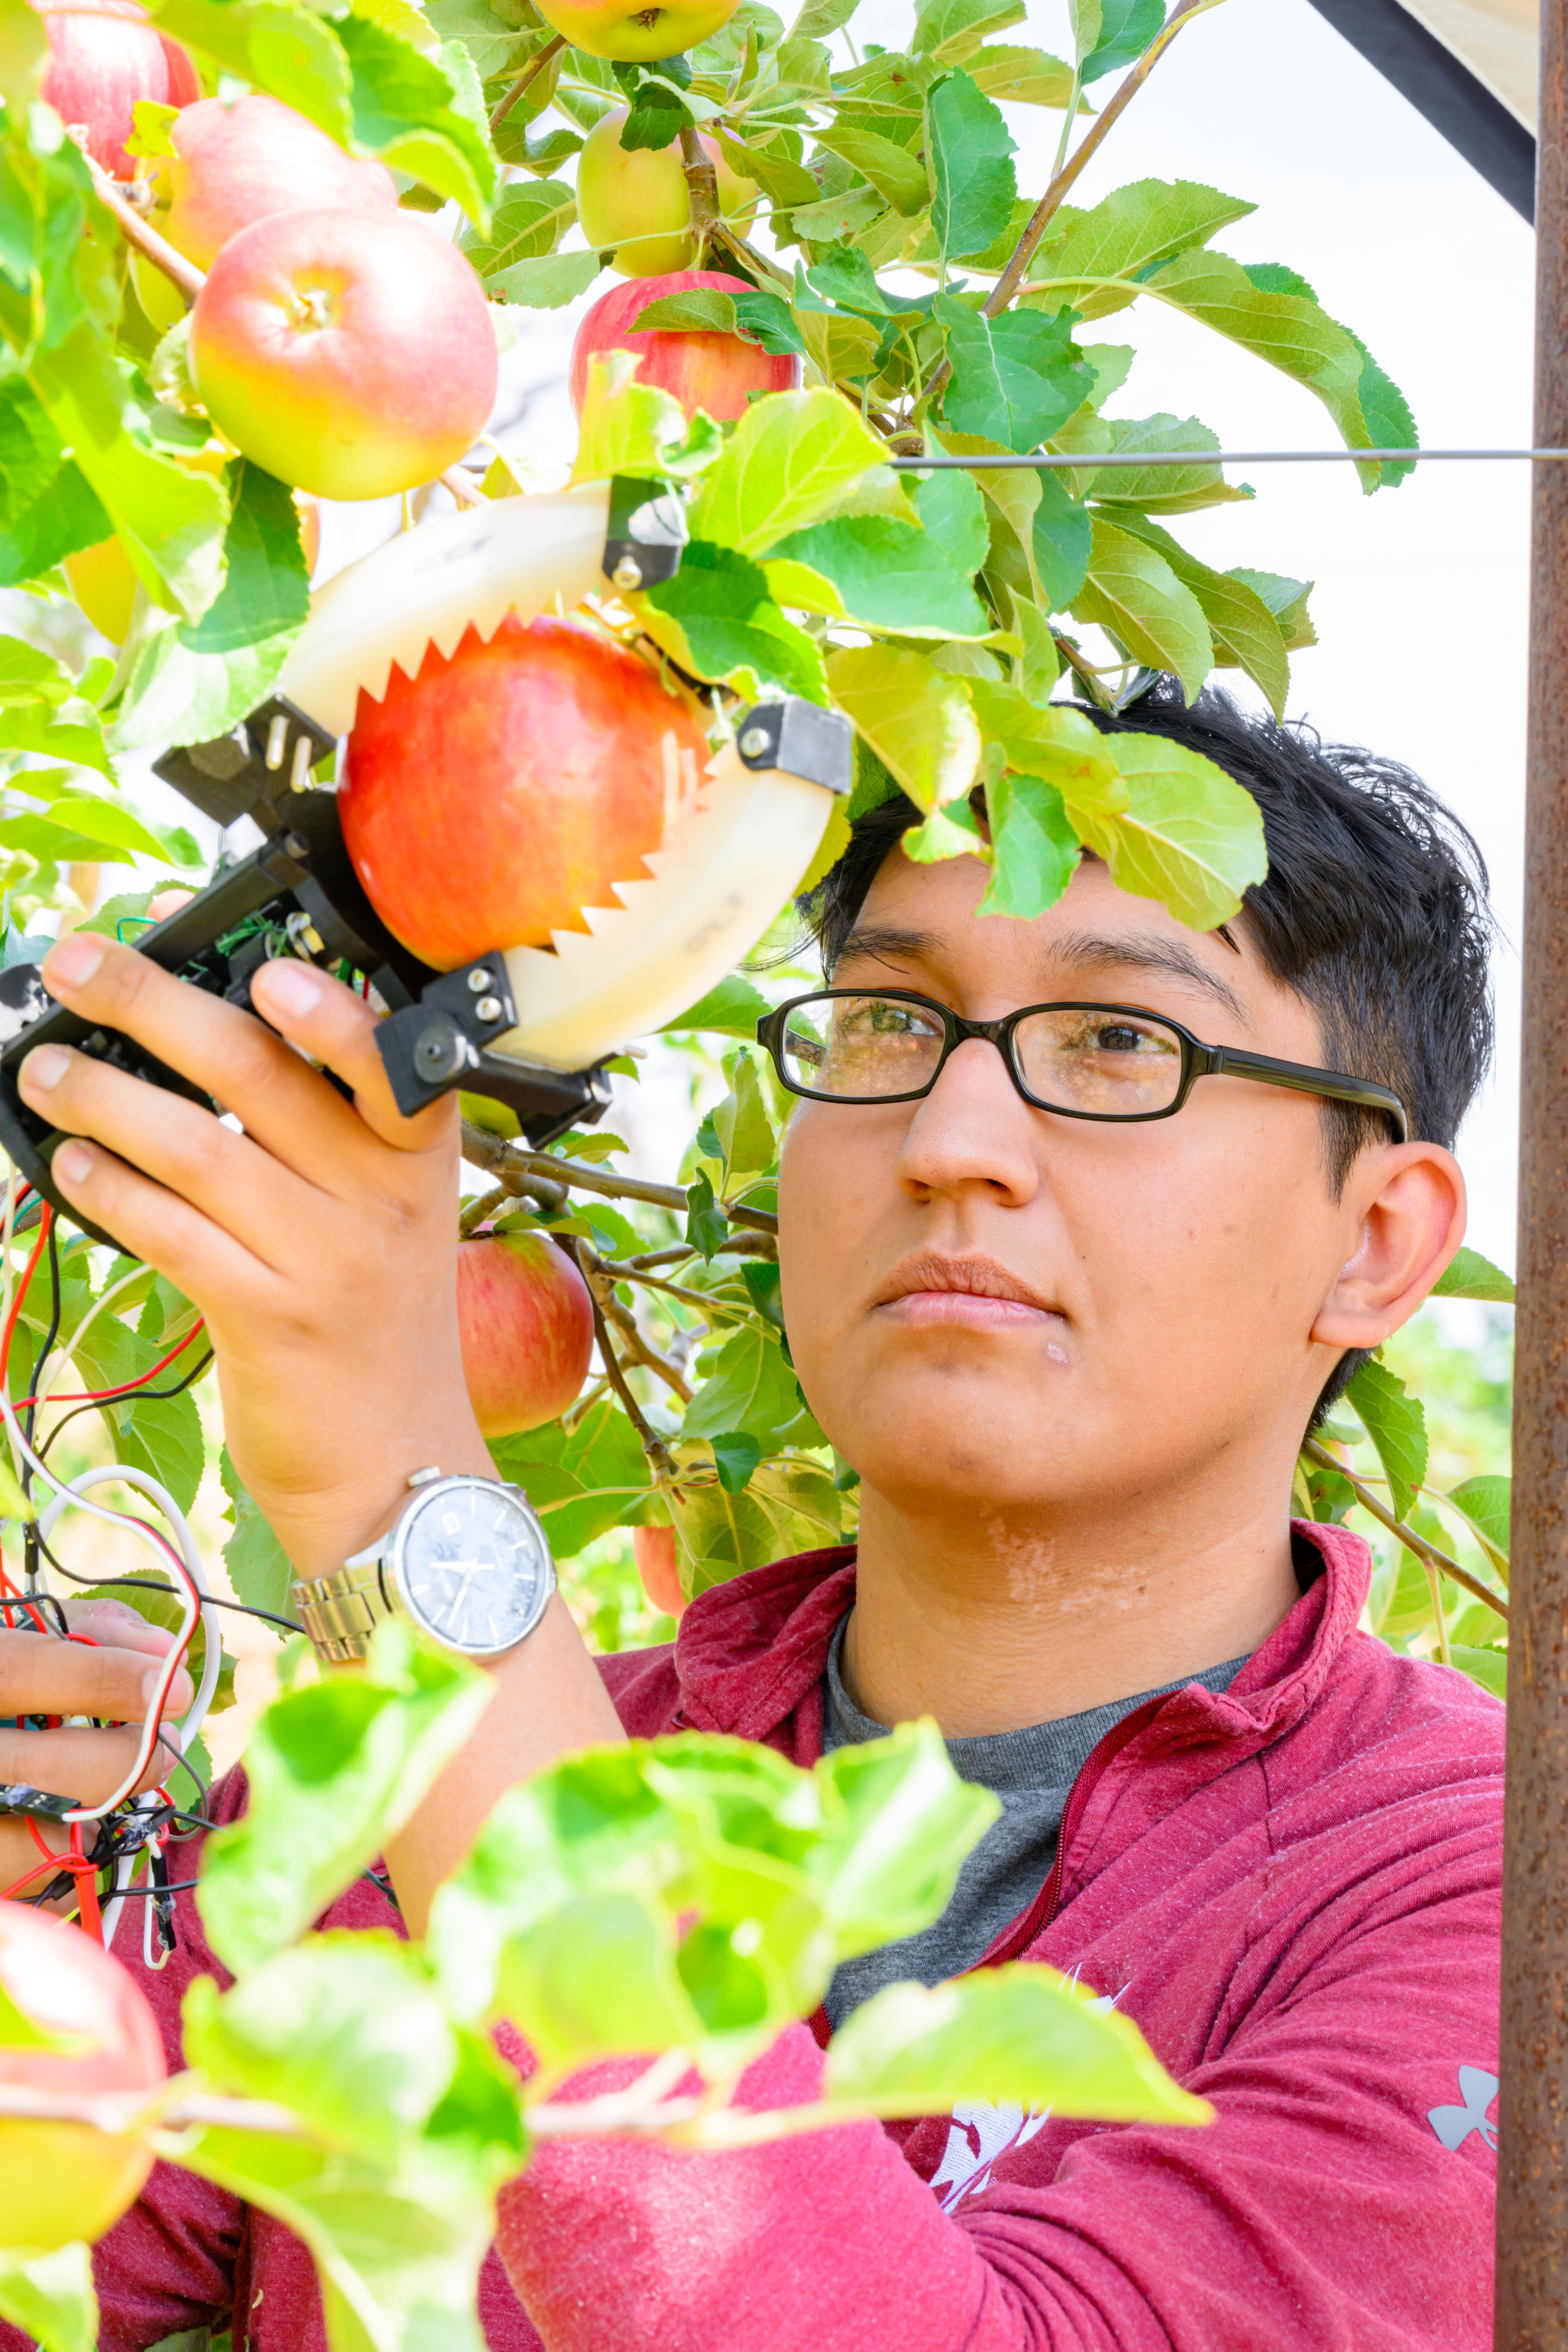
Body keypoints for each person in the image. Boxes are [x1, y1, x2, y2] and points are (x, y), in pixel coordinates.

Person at [0, 681, 1503, 2351]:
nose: (954, 1139)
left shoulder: (1481, 1890)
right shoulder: (455, 1772)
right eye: (886, 1024)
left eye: (1117, 1045)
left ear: (1377, 1241)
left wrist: (393, 1499)